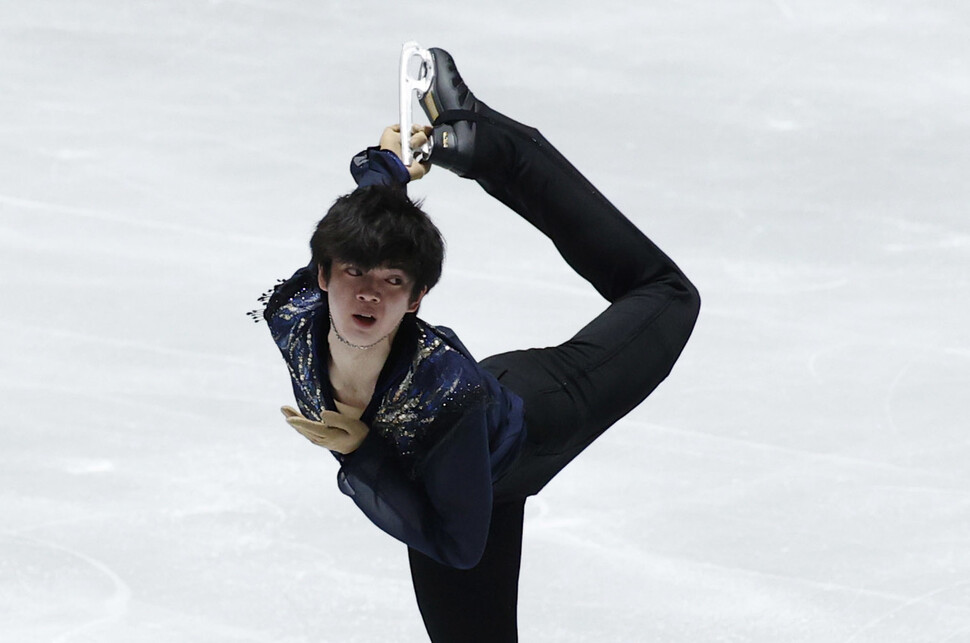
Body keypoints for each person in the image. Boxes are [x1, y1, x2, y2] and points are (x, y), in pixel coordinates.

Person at [259, 47, 700, 643]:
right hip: (442, 479)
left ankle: (496, 149)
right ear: (323, 276)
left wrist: (362, 453)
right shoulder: (292, 314)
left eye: (392, 282)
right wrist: (387, 167)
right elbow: (354, 230)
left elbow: (459, 544)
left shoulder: (444, 390)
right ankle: (468, 142)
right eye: (354, 273)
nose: (367, 295)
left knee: (667, 294)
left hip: (530, 424)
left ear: (416, 299)